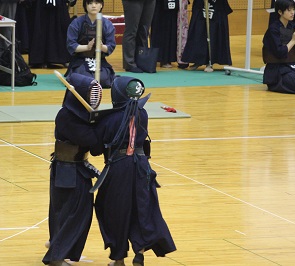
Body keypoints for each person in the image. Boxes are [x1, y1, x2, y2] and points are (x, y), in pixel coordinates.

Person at [91, 76, 177, 266]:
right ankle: (139, 253)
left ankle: (119, 258)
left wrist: (93, 127)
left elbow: (96, 149)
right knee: (141, 210)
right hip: (142, 168)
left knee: (113, 211)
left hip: (119, 169)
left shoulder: (109, 119)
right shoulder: (142, 114)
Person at [42, 73, 103, 266]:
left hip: (77, 168)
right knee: (74, 213)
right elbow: (93, 144)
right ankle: (56, 256)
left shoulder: (81, 116)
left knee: (65, 211)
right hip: (68, 171)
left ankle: (56, 244)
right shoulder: (67, 117)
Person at [65, 0, 116, 88]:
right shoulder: (76, 23)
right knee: (84, 79)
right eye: (90, 3)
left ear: (101, 6)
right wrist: (87, 47)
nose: (93, 6)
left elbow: (110, 46)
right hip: (80, 59)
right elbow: (71, 45)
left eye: (96, 3)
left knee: (103, 79)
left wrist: (101, 47)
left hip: (99, 59)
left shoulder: (107, 24)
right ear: (85, 6)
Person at [263, 0, 295, 94]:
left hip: (291, 66)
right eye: (289, 10)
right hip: (277, 70)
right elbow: (280, 52)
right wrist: (293, 40)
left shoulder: (293, 26)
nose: (292, 12)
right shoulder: (273, 29)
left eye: (293, 9)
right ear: (280, 12)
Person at [181, 0, 233, 72]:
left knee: (214, 33)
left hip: (216, 7)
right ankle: (198, 60)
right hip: (201, 5)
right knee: (198, 31)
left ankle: (210, 61)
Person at [28, 0, 73, 68]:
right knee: (39, 27)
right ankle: (39, 60)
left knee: (62, 26)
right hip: (39, 5)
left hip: (59, 5)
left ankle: (62, 58)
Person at [151, 0, 189, 69]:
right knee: (160, 25)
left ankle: (168, 58)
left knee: (172, 26)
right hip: (159, 5)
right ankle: (160, 58)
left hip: (174, 3)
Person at [122, 0, 156, 73]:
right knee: (131, 31)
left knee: (144, 31)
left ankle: (142, 61)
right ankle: (130, 63)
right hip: (132, 2)